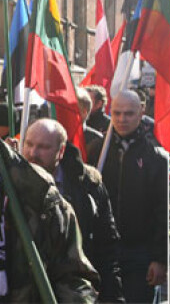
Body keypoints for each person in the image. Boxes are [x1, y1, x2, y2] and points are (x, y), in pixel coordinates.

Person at [23, 118, 124, 302]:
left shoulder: (88, 186)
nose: (33, 153)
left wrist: (113, 297)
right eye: (28, 144)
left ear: (60, 151)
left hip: (74, 292)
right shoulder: (10, 183)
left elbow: (107, 246)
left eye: (43, 147)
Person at [87, 90, 167, 302]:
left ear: (141, 113)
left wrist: (159, 259)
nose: (122, 119)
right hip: (102, 250)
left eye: (129, 113)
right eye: (117, 113)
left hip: (139, 252)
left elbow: (161, 210)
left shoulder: (155, 156)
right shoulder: (96, 150)